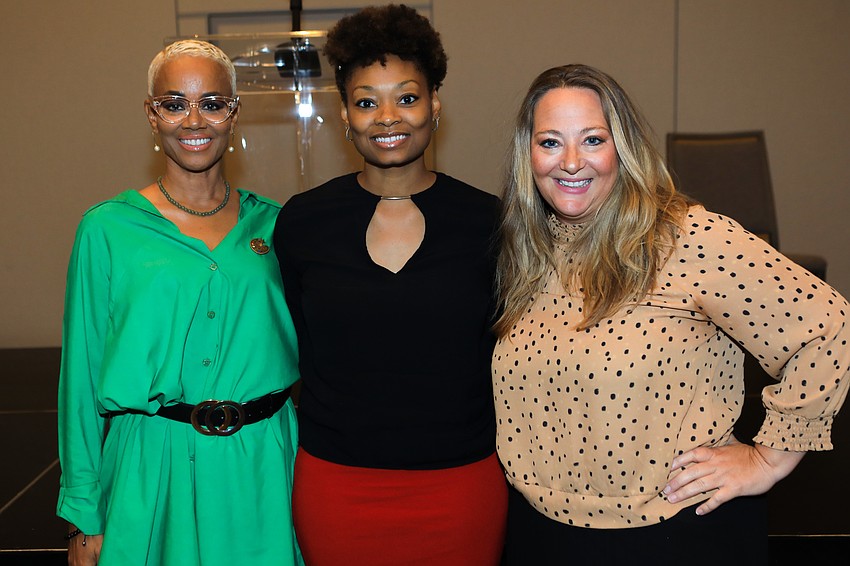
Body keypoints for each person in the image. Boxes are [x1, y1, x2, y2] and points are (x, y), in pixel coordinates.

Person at [493, 63, 850, 564]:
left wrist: (769, 457)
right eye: (551, 142)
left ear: (624, 147)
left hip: (673, 534)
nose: (571, 161)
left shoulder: (687, 238)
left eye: (593, 139)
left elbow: (831, 326)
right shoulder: (525, 252)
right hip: (543, 535)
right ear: (527, 155)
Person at [273, 4, 506, 565]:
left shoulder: (489, 221)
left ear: (434, 105)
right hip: (337, 485)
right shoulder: (304, 221)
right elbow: (298, 343)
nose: (387, 117)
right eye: (365, 101)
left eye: (406, 97)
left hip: (462, 483)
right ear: (345, 114)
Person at [57, 40, 302, 565]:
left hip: (261, 466)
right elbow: (80, 376)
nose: (194, 120)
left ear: (233, 113)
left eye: (212, 103)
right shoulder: (107, 229)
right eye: (174, 103)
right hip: (150, 464)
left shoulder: (281, 225)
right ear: (152, 113)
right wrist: (83, 512)